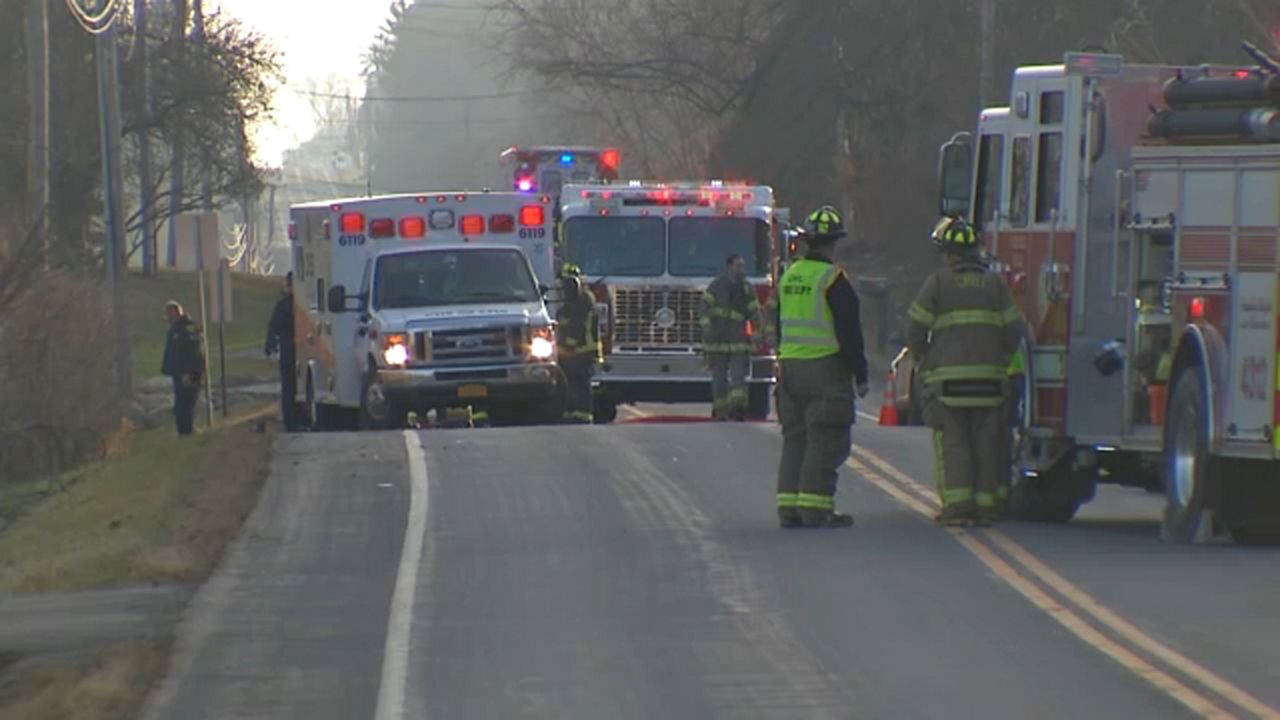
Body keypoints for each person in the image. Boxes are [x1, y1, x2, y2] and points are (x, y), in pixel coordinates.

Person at [906, 216, 1025, 527]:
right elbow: (1016, 330)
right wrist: (1000, 357)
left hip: (947, 385)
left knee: (954, 442)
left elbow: (915, 328)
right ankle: (988, 508)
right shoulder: (995, 284)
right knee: (989, 444)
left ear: (949, 254)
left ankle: (959, 508)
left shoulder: (938, 283)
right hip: (990, 382)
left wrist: (924, 358)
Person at [774, 206, 870, 529]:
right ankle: (815, 509)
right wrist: (860, 374)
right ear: (833, 242)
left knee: (795, 438)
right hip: (825, 370)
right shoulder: (833, 279)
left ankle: (789, 507)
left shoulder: (789, 276)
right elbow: (849, 331)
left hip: (789, 368)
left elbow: (775, 320)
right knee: (826, 438)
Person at [699, 254, 761, 421]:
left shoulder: (747, 288)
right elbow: (704, 307)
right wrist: (707, 327)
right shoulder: (716, 286)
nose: (741, 269)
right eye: (737, 266)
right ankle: (720, 410)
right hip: (717, 341)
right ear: (729, 267)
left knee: (738, 378)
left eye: (742, 266)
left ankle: (738, 408)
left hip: (738, 340)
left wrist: (756, 335)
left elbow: (755, 313)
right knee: (719, 378)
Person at [556, 268, 601, 424]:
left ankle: (583, 415)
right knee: (571, 383)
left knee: (581, 383)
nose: (563, 290)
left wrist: (569, 345)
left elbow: (577, 325)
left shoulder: (582, 301)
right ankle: (571, 413)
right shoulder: (576, 300)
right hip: (574, 352)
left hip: (582, 351)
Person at [162, 300, 204, 437]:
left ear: (176, 312)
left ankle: (187, 431)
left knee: (187, 402)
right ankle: (183, 431)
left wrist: (188, 371)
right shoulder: (174, 329)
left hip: (189, 373)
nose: (167, 318)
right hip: (178, 373)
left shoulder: (189, 327)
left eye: (169, 314)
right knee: (180, 404)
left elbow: (194, 350)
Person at [264, 272, 298, 431]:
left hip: (289, 349)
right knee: (291, 387)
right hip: (296, 349)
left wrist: (270, 346)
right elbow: (274, 326)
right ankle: (292, 420)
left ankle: (291, 421)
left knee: (289, 387)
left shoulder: (284, 305)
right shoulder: (295, 305)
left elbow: (274, 326)